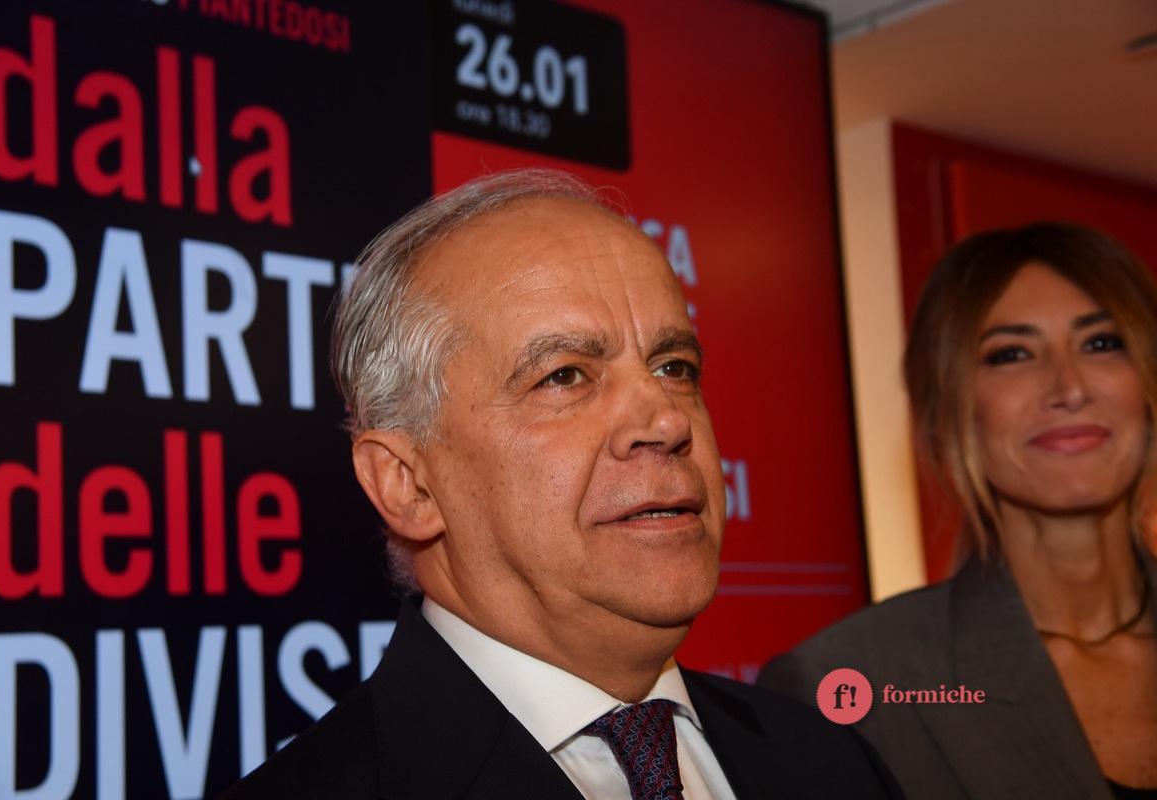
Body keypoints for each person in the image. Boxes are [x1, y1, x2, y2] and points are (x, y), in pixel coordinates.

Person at [219, 169, 901, 799]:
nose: (667, 420)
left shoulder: (833, 763)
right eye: (565, 376)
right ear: (409, 486)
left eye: (674, 367)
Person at [759, 221, 1157, 799]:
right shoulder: (847, 682)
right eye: (1011, 354)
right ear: (948, 409)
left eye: (1101, 343)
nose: (1070, 388)